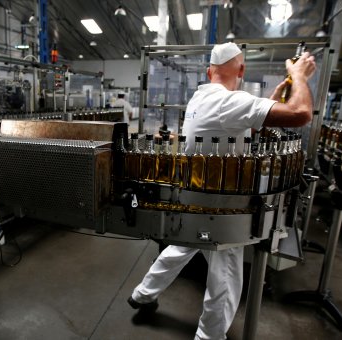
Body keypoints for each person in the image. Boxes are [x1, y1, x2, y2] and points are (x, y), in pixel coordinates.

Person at [127, 42, 316, 340]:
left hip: (194, 197)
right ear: (241, 70)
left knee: (181, 247)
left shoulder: (200, 100)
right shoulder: (231, 101)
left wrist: (272, 101)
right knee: (226, 274)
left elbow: (243, 126)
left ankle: (142, 294)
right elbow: (302, 113)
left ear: (208, 71)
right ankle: (209, 336)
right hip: (222, 206)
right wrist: (300, 75)